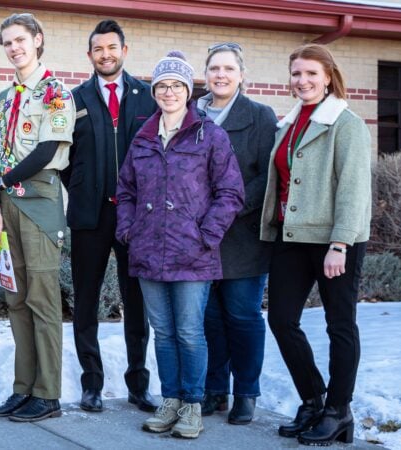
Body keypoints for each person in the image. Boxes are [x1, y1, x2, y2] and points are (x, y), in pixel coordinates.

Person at [115, 50, 244, 439]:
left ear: (188, 91)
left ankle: (192, 404)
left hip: (194, 254)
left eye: (176, 85)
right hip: (149, 250)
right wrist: (129, 230)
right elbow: (126, 191)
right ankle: (169, 399)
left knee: (190, 332)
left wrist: (207, 235)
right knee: (164, 332)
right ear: (154, 90)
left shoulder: (211, 135)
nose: (169, 92)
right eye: (162, 85)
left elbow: (231, 193)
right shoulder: (142, 138)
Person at [261, 43, 371, 446]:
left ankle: (339, 410)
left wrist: (340, 243)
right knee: (281, 320)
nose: (302, 81)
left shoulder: (346, 123)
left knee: (339, 325)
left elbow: (354, 190)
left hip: (335, 240)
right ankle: (313, 399)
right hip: (292, 236)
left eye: (311, 73)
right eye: (296, 74)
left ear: (328, 76)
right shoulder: (289, 123)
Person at [0, 13, 75, 423]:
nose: (14, 48)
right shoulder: (0, 100)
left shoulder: (55, 93)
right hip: (7, 209)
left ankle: (48, 394)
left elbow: (47, 150)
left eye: (20, 40)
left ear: (37, 40)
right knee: (15, 298)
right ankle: (23, 388)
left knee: (42, 300)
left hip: (39, 203)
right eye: (6, 42)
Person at [62, 19, 158, 414]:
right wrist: (83, 185)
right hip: (90, 216)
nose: (106, 54)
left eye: (112, 47)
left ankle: (138, 383)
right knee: (86, 301)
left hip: (135, 218)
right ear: (90, 55)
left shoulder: (147, 98)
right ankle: (92, 384)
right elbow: (61, 155)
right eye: (98, 49)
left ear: (124, 50)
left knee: (137, 302)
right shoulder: (73, 99)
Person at [196, 42, 277, 425]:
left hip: (243, 234)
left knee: (242, 316)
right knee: (209, 318)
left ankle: (246, 392)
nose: (221, 75)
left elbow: (267, 177)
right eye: (214, 68)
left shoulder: (260, 116)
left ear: (241, 75)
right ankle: (215, 390)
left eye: (229, 69)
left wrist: (226, 209)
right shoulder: (191, 113)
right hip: (198, 238)